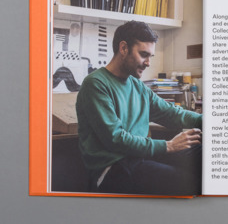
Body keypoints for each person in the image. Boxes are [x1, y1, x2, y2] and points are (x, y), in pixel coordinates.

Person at [76, 20, 202, 195]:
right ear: (123, 48)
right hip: (113, 168)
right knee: (187, 182)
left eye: (150, 56)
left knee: (206, 157)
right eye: (144, 54)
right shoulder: (95, 84)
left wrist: (211, 122)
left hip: (139, 157)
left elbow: (171, 113)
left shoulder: (137, 85)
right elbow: (116, 138)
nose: (148, 62)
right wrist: (168, 146)